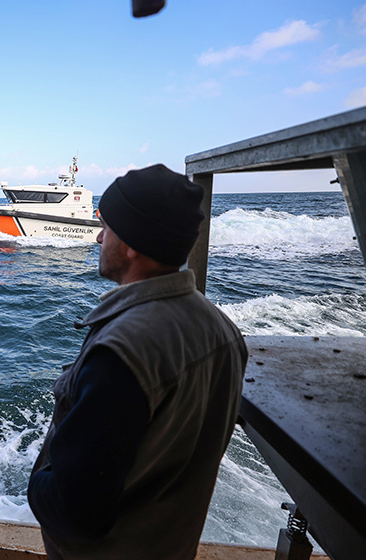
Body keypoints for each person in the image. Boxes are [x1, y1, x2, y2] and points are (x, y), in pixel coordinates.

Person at [27, 165, 247, 560]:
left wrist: (36, 485)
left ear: (131, 243)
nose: (97, 236)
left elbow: (76, 511)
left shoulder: (121, 352)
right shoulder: (224, 331)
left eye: (106, 227)